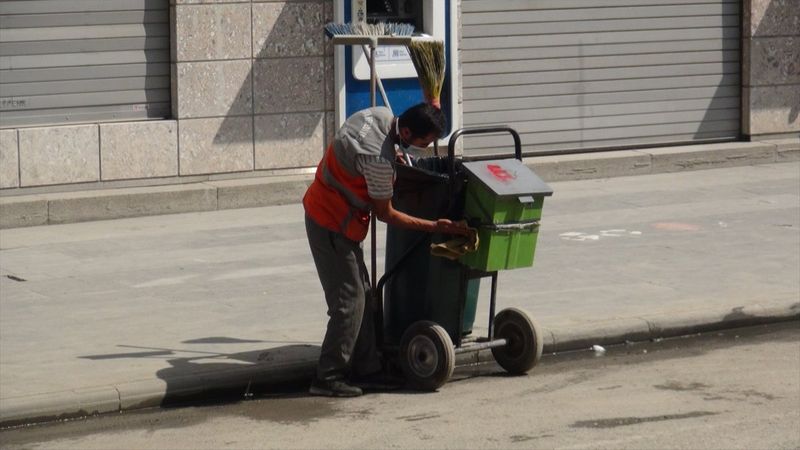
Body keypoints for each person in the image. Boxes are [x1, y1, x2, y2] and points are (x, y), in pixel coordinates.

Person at [303, 103, 469, 397]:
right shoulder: (377, 161)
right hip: (330, 222)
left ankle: (368, 370)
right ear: (406, 132)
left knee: (364, 297)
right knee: (348, 304)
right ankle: (328, 376)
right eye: (424, 142)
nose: (426, 148)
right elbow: (387, 214)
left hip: (334, 215)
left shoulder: (378, 113)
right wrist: (435, 226)